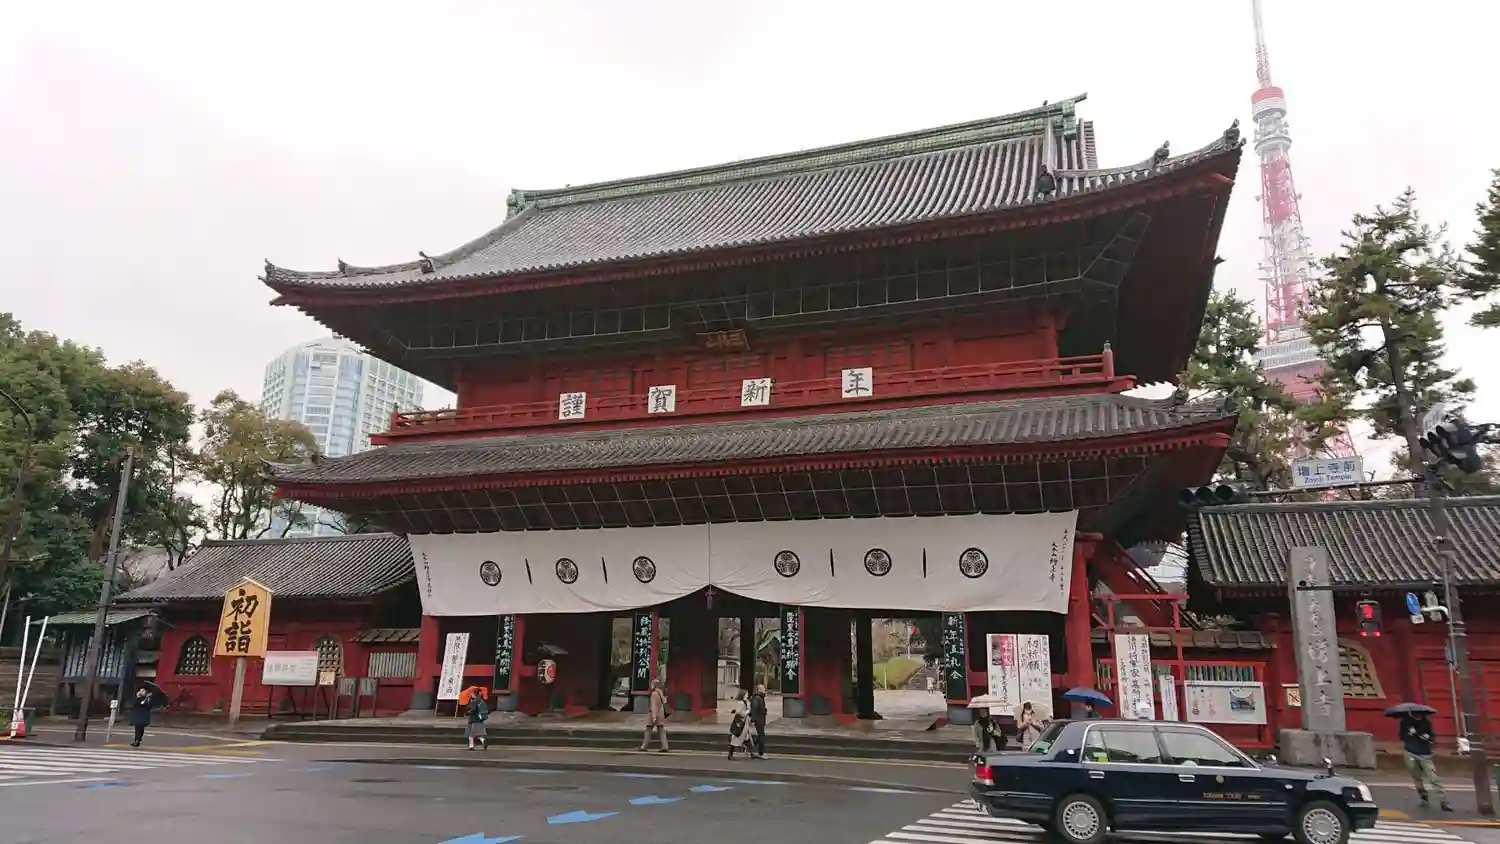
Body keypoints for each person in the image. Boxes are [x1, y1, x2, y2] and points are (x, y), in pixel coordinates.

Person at [1399, 710, 1451, 811]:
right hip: (1410, 752)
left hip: (1425, 753)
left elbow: (1431, 736)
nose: (1418, 715)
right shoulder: (1405, 722)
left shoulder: (1426, 723)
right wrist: (1409, 734)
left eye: (1420, 714)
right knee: (1417, 777)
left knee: (1433, 778)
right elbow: (1402, 736)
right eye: (1415, 714)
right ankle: (1423, 796)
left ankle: (1443, 801)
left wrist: (1426, 736)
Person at [639, 680, 669, 752]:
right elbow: (664, 702)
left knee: (648, 729)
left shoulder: (654, 694)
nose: (650, 686)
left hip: (654, 714)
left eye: (652, 684)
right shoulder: (661, 692)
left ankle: (644, 746)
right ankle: (665, 746)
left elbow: (654, 706)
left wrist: (654, 716)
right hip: (660, 713)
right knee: (661, 730)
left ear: (654, 685)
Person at [747, 683, 768, 759]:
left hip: (761, 719)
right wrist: (753, 719)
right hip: (758, 720)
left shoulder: (760, 697)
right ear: (759, 690)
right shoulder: (757, 698)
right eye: (763, 688)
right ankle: (761, 753)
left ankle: (752, 747)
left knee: (761, 735)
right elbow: (754, 709)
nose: (764, 690)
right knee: (762, 736)